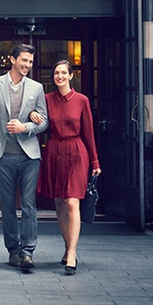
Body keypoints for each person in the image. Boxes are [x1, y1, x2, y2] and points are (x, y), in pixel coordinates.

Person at [0, 43, 49, 270]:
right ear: (13, 60)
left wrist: (25, 127)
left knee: (28, 205)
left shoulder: (36, 88)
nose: (27, 65)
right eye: (24, 61)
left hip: (29, 156)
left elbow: (44, 122)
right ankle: (13, 250)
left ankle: (28, 251)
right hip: (2, 156)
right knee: (7, 206)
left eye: (30, 62)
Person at [30, 60, 102, 275]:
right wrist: (32, 116)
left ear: (71, 76)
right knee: (60, 202)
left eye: (63, 73)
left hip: (77, 152)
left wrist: (95, 162)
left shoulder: (82, 100)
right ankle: (66, 247)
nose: (59, 76)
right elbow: (39, 122)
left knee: (72, 201)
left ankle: (72, 253)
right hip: (54, 151)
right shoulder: (46, 100)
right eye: (56, 73)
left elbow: (89, 132)